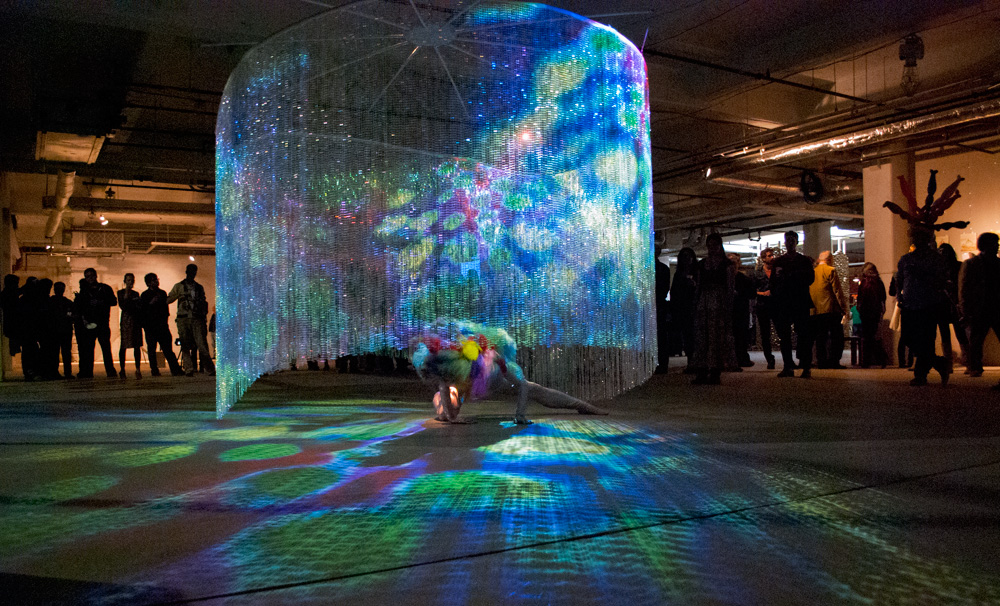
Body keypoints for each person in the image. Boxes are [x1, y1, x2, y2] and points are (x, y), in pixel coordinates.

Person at [411, 320, 607, 424]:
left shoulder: (496, 363)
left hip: (499, 380)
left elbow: (523, 386)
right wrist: (451, 417)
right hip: (468, 382)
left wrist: (520, 415)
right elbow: (443, 384)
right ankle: (445, 408)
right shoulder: (453, 368)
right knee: (448, 403)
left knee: (535, 389)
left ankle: (582, 405)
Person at [896, 226, 951, 386]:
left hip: (929, 304)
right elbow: (899, 279)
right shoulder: (906, 259)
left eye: (920, 237)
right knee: (908, 338)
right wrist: (900, 296)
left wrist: (924, 275)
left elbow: (941, 280)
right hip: (909, 304)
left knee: (926, 340)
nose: (916, 240)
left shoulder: (935, 259)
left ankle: (921, 374)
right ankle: (939, 363)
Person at [690, 234, 736, 384]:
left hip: (718, 301)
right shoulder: (703, 264)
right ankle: (702, 370)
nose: (712, 248)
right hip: (705, 301)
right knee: (702, 336)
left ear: (719, 246)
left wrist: (728, 306)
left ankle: (715, 371)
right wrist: (696, 302)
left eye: (714, 245)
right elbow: (699, 286)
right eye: (710, 245)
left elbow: (730, 286)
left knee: (716, 336)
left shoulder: (727, 264)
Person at [772, 231, 815, 378]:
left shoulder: (803, 261)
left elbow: (810, 278)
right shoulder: (780, 262)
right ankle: (788, 366)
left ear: (796, 242)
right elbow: (774, 281)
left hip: (799, 301)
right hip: (785, 301)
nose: (790, 243)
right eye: (788, 240)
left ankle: (805, 366)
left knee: (803, 335)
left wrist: (791, 277)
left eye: (792, 240)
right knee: (785, 336)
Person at [958, 232, 1000, 378]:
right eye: (994, 244)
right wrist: (965, 309)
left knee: (976, 339)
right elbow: (964, 289)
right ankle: (975, 366)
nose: (997, 246)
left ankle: (975, 367)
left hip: (994, 306)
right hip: (980, 307)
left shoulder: (975, 263)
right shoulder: (972, 264)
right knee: (976, 340)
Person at [167, 264, 215, 376]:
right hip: (183, 318)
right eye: (190, 271)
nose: (192, 274)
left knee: (202, 344)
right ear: (186, 272)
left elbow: (203, 303)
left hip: (196, 318)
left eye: (194, 271)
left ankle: (209, 368)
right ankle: (189, 369)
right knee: (185, 344)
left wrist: (203, 316)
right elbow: (168, 299)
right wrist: (180, 296)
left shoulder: (198, 287)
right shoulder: (179, 286)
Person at [74, 268, 118, 379]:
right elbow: (81, 306)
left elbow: (113, 301)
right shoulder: (85, 291)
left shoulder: (105, 288)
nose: (90, 278)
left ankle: (110, 370)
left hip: (102, 323)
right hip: (90, 324)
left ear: (96, 276)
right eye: (87, 276)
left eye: (92, 276)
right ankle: (89, 372)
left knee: (106, 348)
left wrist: (100, 302)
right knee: (89, 349)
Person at [810, 251, 849, 369]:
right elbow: (837, 291)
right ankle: (834, 361)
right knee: (836, 337)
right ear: (830, 259)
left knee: (820, 337)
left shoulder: (813, 272)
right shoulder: (830, 270)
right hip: (830, 309)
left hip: (815, 310)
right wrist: (844, 308)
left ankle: (821, 361)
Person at [140, 273, 183, 377]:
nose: (156, 281)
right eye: (154, 280)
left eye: (156, 279)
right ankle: (155, 370)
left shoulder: (162, 293)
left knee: (167, 349)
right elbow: (143, 311)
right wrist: (151, 304)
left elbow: (165, 310)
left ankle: (175, 369)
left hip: (161, 325)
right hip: (151, 326)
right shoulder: (145, 295)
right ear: (149, 283)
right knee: (152, 349)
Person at [938, 243, 969, 367]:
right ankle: (953, 362)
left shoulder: (953, 266)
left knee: (958, 332)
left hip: (952, 302)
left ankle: (963, 361)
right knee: (948, 333)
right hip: (945, 302)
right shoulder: (950, 266)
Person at [670, 247, 698, 371]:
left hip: (695, 307)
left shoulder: (697, 272)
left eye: (689, 256)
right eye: (684, 257)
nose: (687, 259)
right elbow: (674, 292)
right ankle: (691, 361)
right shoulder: (679, 274)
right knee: (687, 336)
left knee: (695, 336)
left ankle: (696, 362)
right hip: (683, 309)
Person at [856, 262, 888, 368]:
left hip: (866, 312)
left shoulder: (864, 283)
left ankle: (868, 361)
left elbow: (860, 298)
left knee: (867, 336)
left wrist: (859, 308)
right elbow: (883, 297)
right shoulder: (878, 282)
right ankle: (880, 359)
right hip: (875, 311)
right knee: (872, 336)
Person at [752, 248, 778, 369]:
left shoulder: (777, 272)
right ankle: (769, 359)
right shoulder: (757, 274)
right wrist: (763, 293)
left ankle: (787, 360)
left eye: (772, 255)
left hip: (775, 304)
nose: (772, 258)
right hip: (762, 306)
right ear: (763, 259)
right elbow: (752, 291)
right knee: (765, 334)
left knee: (782, 331)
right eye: (769, 256)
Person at [728, 252, 754, 368]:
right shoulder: (723, 279)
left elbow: (752, 294)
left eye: (734, 263)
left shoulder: (744, 279)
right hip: (728, 310)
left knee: (741, 335)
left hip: (741, 310)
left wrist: (740, 294)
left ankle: (742, 358)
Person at [117, 273, 144, 379]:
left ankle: (138, 368)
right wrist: (127, 294)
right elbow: (123, 306)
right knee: (124, 345)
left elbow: (138, 306)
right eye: (128, 280)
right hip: (126, 320)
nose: (130, 282)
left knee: (137, 345)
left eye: (132, 280)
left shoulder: (136, 294)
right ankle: (122, 369)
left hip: (135, 320)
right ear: (125, 281)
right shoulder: (120, 293)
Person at [50, 281, 75, 379]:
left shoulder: (51, 302)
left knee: (58, 352)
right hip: (62, 330)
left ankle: (57, 372)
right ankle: (66, 372)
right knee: (64, 352)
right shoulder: (67, 302)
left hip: (58, 330)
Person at [654, 245, 671, 373]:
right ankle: (660, 363)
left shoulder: (663, 269)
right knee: (660, 335)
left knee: (660, 335)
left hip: (657, 303)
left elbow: (664, 288)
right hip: (656, 303)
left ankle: (662, 363)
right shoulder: (663, 268)